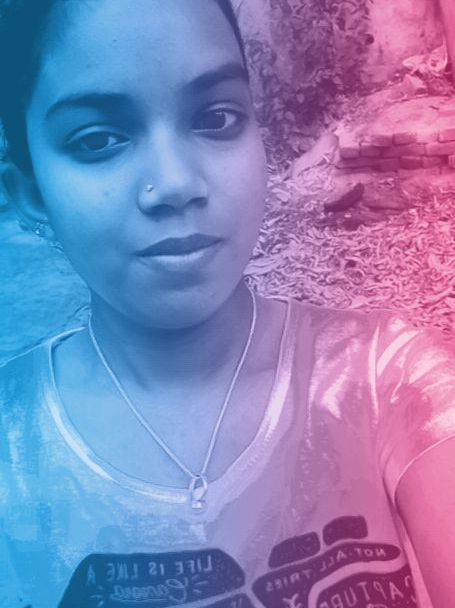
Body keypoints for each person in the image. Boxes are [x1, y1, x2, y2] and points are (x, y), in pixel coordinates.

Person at [0, 1, 454, 606]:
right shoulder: (13, 446)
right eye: (99, 139)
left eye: (216, 118)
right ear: (29, 189)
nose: (176, 183)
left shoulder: (387, 382)